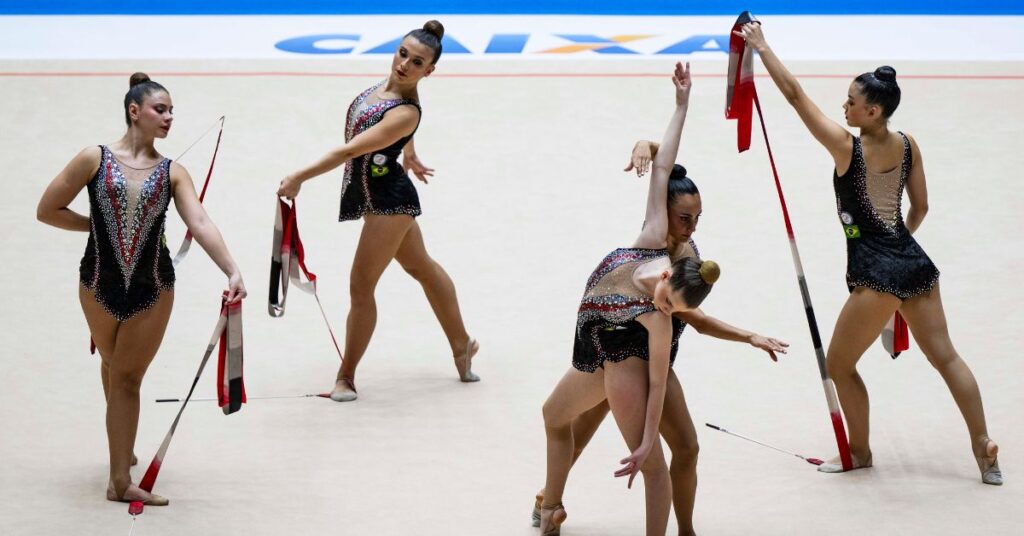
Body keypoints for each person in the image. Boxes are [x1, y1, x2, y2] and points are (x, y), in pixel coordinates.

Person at [735, 22, 1001, 485]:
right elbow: (921, 208)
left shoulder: (847, 149)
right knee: (948, 358)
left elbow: (796, 97)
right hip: (915, 265)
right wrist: (897, 249)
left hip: (876, 274)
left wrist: (762, 46)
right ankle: (983, 446)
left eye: (852, 103)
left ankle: (859, 452)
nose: (844, 106)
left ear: (872, 111)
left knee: (839, 364)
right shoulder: (908, 144)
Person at [533, 144, 787, 536]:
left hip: (643, 356)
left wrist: (749, 335)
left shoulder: (686, 261)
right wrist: (643, 146)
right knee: (574, 428)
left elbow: (696, 319)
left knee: (682, 448)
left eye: (698, 218)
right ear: (663, 210)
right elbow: (662, 157)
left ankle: (682, 529)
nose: (691, 227)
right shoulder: (651, 240)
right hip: (610, 349)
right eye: (684, 217)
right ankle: (549, 503)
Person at [36, 73, 247, 505]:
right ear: (135, 111)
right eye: (161, 109)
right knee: (115, 367)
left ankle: (118, 482)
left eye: (172, 111)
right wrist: (92, 226)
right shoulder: (93, 158)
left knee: (127, 376)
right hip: (97, 282)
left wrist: (231, 269)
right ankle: (123, 446)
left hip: (154, 288)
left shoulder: (173, 172)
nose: (169, 117)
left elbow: (200, 222)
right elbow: (48, 209)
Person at [278, 20, 479, 402]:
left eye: (417, 63)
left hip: (389, 203)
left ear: (429, 71)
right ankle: (462, 344)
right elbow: (395, 128)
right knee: (422, 267)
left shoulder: (406, 110)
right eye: (403, 54)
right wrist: (410, 152)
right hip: (377, 195)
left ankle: (346, 376)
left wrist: (300, 176)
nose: (405, 65)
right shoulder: (383, 91)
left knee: (360, 286)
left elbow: (351, 149)